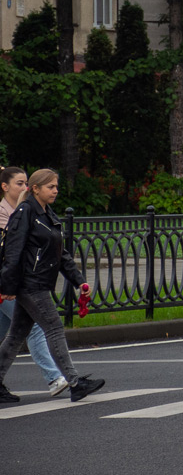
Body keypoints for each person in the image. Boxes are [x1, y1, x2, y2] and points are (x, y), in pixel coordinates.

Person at [0, 168, 104, 403]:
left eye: (56, 187)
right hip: (29, 284)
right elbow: (13, 252)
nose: (55, 191)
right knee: (54, 328)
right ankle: (75, 382)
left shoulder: (47, 214)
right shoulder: (24, 212)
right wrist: (7, 287)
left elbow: (60, 253)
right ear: (35, 189)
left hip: (38, 282)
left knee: (16, 336)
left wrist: (79, 280)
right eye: (51, 187)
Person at [0, 167, 66, 397]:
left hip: (16, 280)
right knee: (38, 328)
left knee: (12, 333)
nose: (24, 187)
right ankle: (56, 378)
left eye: (26, 182)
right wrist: (7, 286)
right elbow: (12, 250)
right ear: (4, 186)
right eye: (19, 183)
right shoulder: (8, 212)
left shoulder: (26, 209)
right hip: (9, 282)